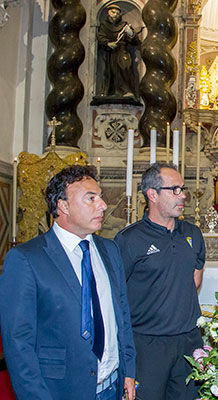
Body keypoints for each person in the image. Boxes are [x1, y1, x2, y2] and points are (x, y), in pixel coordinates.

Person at [0, 165, 136, 399]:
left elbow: (121, 315)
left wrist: (128, 370)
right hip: (61, 390)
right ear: (63, 206)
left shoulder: (109, 250)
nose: (103, 205)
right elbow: (18, 343)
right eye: (90, 198)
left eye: (100, 197)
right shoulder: (26, 259)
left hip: (112, 385)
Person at [114, 163, 206, 400]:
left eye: (182, 188)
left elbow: (195, 281)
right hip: (147, 345)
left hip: (188, 342)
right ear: (152, 194)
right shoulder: (129, 240)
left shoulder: (193, 234)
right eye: (174, 189)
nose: (182, 195)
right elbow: (115, 296)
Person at [97, 3, 141, 99]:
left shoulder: (123, 25)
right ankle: (109, 92)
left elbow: (135, 42)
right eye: (113, 12)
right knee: (110, 72)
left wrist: (131, 34)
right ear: (109, 12)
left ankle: (127, 90)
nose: (115, 15)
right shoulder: (104, 26)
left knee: (125, 68)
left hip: (122, 50)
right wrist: (108, 44)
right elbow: (100, 37)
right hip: (110, 53)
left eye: (117, 13)